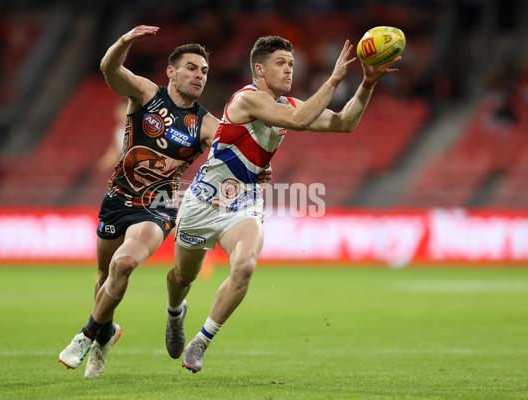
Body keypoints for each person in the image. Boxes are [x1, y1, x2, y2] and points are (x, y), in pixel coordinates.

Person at [166, 35, 401, 373]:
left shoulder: (287, 106)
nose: (290, 69)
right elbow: (300, 119)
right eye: (281, 63)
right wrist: (334, 78)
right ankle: (175, 313)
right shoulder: (246, 100)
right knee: (181, 278)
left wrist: (365, 84)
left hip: (243, 203)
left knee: (244, 265)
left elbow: (344, 122)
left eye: (292, 63)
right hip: (202, 202)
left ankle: (201, 341)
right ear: (258, 70)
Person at [58, 25, 272, 379]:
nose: (199, 75)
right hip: (117, 198)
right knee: (105, 275)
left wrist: (254, 171)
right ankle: (106, 333)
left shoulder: (206, 124)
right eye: (191, 67)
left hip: (159, 204)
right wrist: (124, 42)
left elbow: (233, 154)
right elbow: (110, 70)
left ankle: (87, 334)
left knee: (124, 264)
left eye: (204, 71)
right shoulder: (145, 93)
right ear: (171, 71)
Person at [96, 98, 129, 172]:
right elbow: (115, 152)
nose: (121, 114)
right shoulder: (119, 131)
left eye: (124, 110)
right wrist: (101, 166)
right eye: (119, 111)